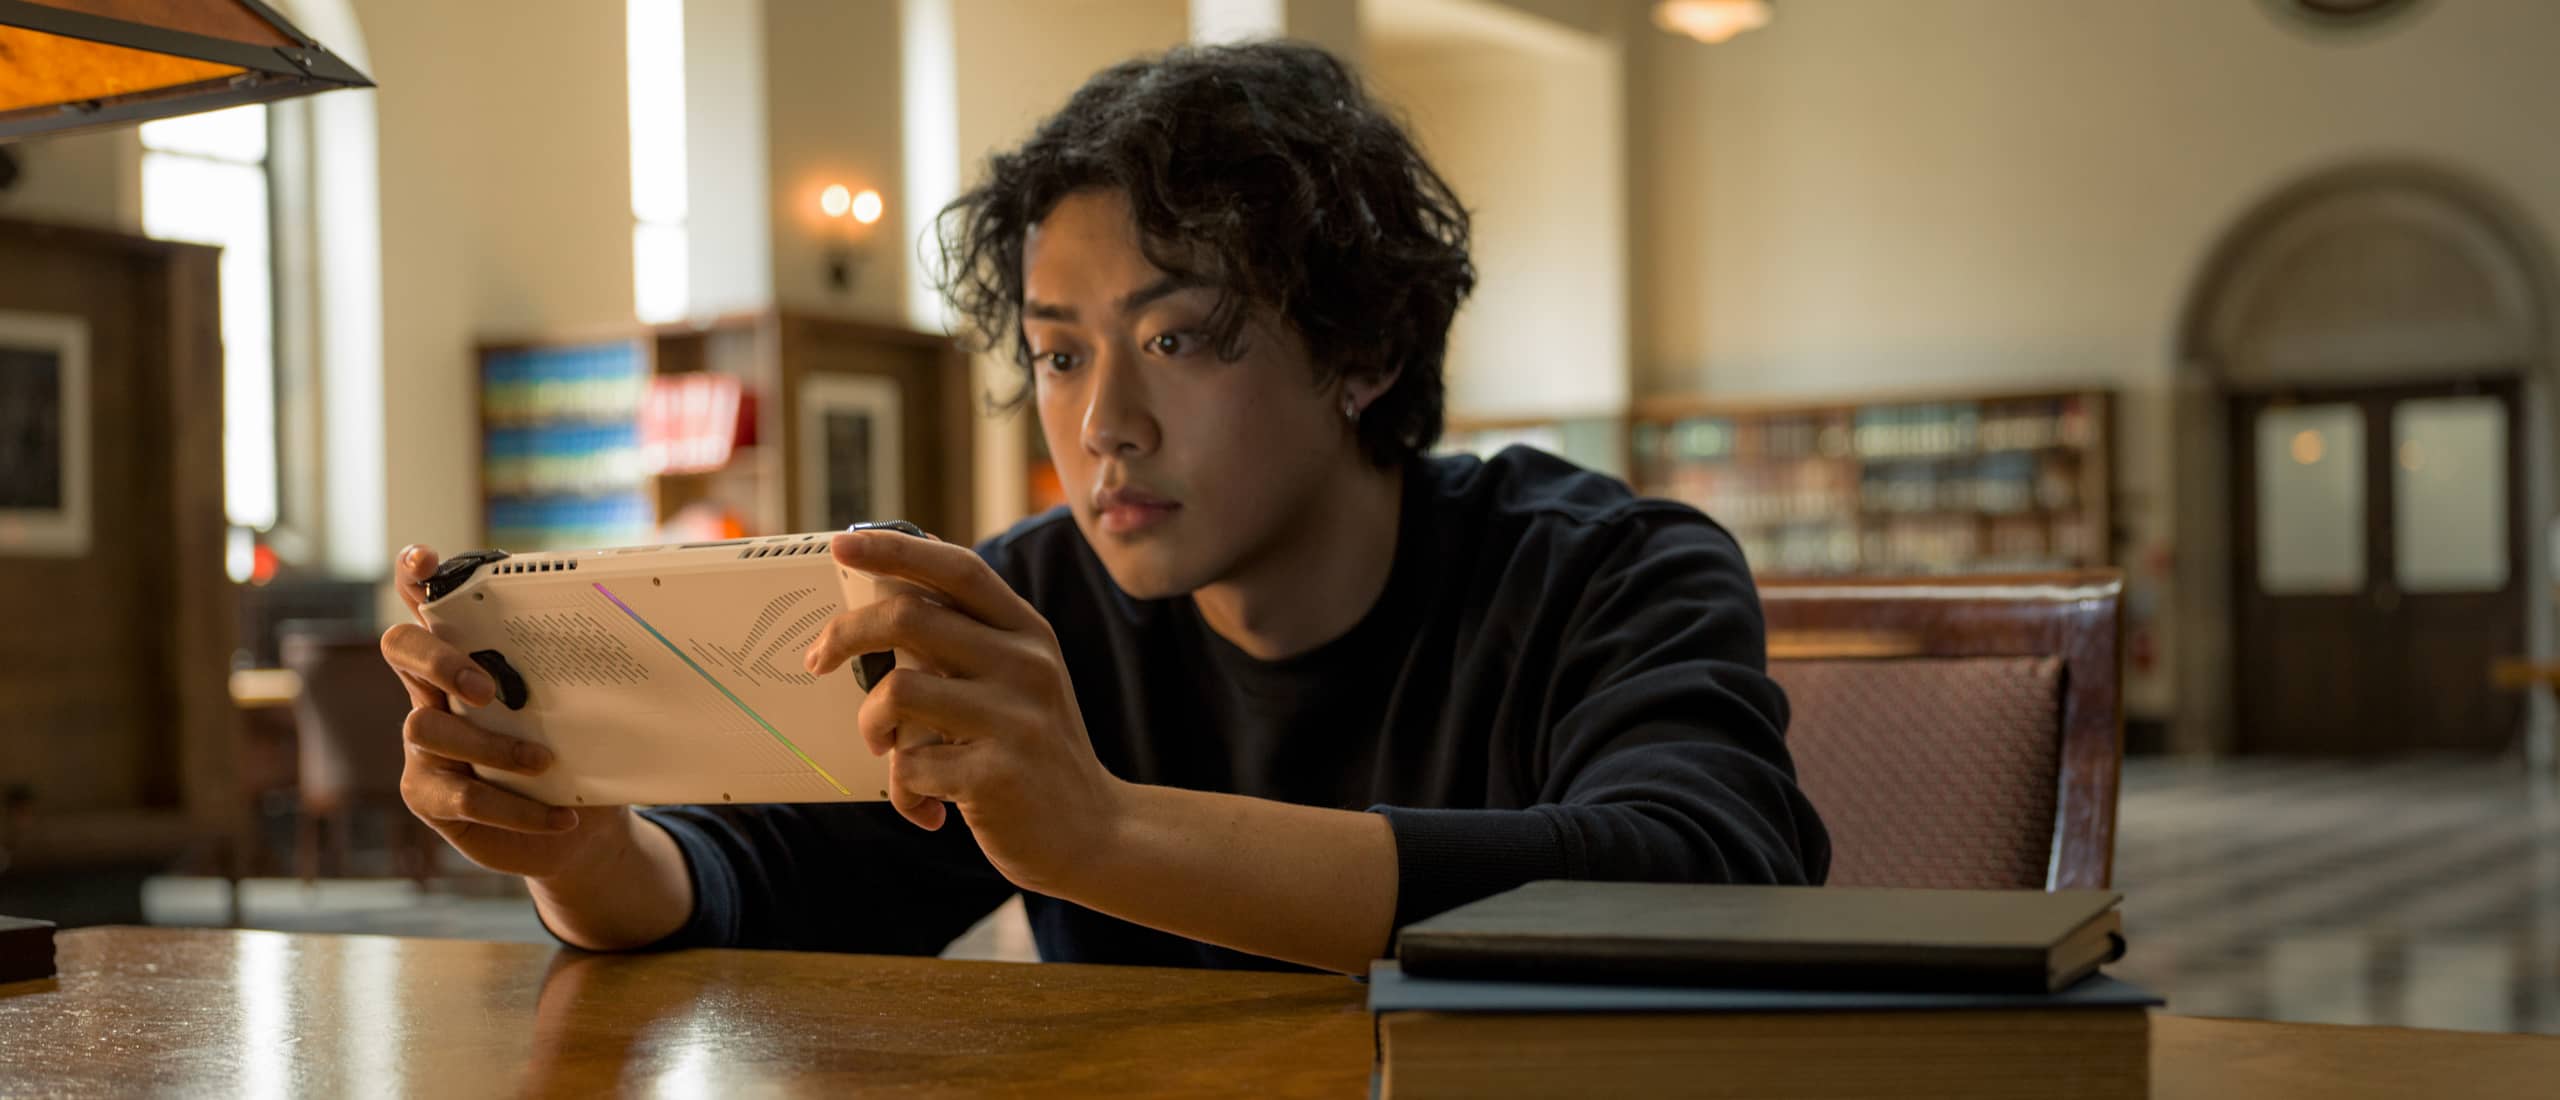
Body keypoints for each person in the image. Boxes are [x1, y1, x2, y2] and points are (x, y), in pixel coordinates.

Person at [378, 40, 1827, 976]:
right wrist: (578, 845)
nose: (1100, 424)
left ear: (1366, 351)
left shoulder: (1608, 570)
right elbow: (757, 887)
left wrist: (1102, 837)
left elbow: (1704, 880)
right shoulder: (1025, 611)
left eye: (1180, 338)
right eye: (1062, 353)